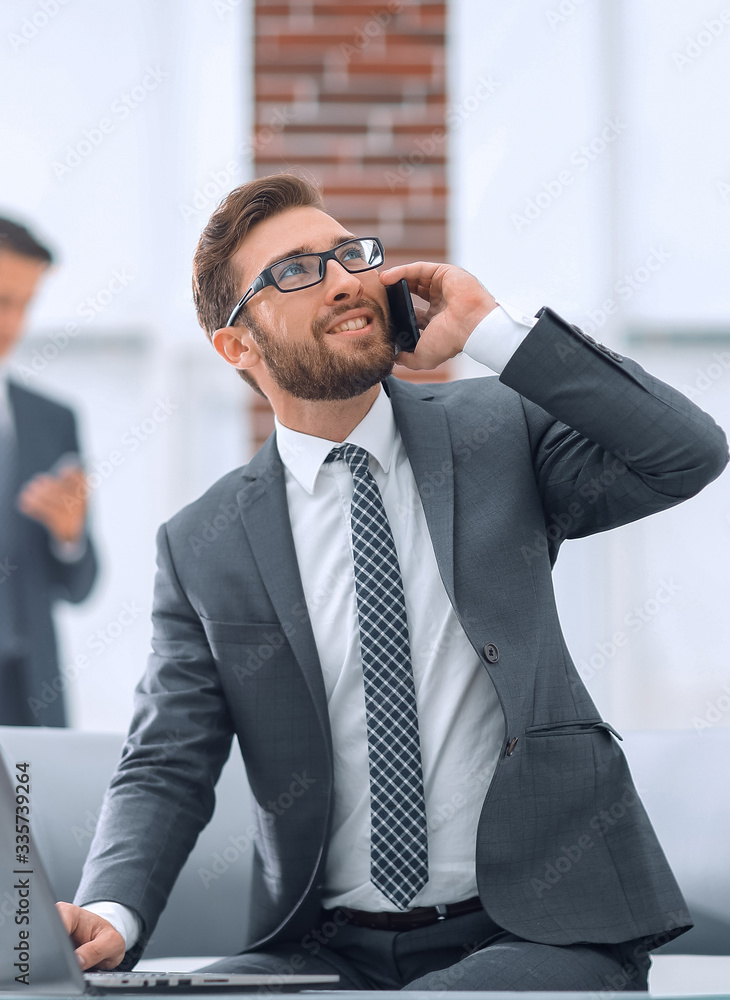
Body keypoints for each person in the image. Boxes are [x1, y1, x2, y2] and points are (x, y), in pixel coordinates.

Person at [60, 175, 727, 990]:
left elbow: (685, 451)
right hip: (321, 950)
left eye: (350, 254)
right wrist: (111, 911)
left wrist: (495, 332)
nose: (345, 278)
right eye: (296, 271)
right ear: (238, 346)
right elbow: (167, 759)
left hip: (541, 933)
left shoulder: (499, 429)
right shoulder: (204, 542)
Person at [0, 217, 98, 727]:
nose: (11, 324)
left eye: (23, 304)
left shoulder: (52, 421)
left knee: (23, 812)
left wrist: (69, 536)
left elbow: (81, 584)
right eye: (1, 301)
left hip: (29, 695)